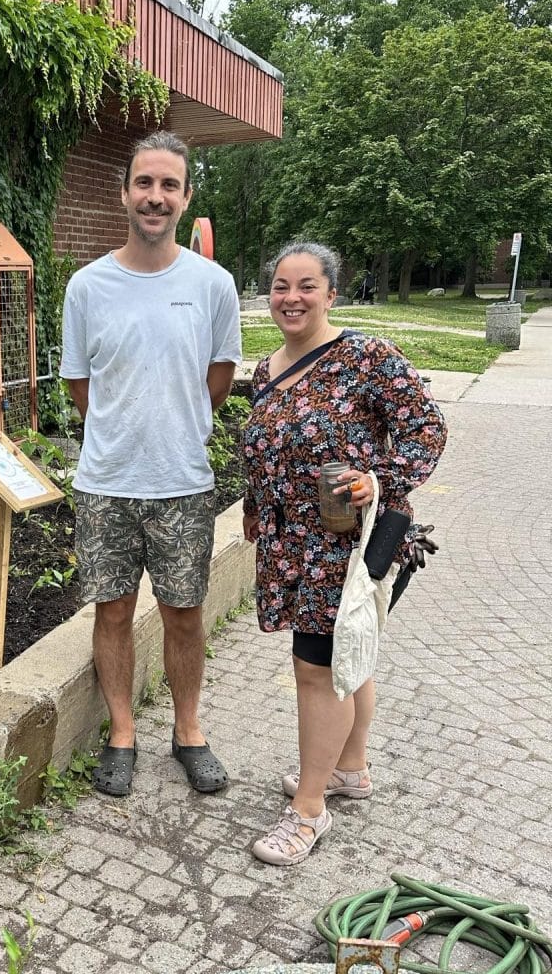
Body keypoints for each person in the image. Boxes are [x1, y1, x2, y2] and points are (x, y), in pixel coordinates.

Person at [242, 241, 446, 865]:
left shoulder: (366, 357)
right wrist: (255, 507)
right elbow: (268, 452)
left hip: (348, 546)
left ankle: (309, 810)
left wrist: (377, 477)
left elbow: (427, 427)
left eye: (307, 286)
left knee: (319, 669)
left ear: (331, 293)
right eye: (281, 286)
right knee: (347, 656)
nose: (292, 298)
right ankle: (349, 768)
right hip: (291, 544)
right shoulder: (267, 369)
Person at [60, 131, 242, 797]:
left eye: (169, 185)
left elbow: (219, 378)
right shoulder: (87, 287)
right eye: (145, 183)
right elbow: (80, 385)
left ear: (186, 196)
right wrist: (123, 430)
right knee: (111, 612)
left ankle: (189, 731)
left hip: (182, 483)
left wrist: (171, 425)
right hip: (106, 484)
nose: (156, 197)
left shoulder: (213, 285)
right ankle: (121, 733)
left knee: (184, 614)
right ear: (124, 193)